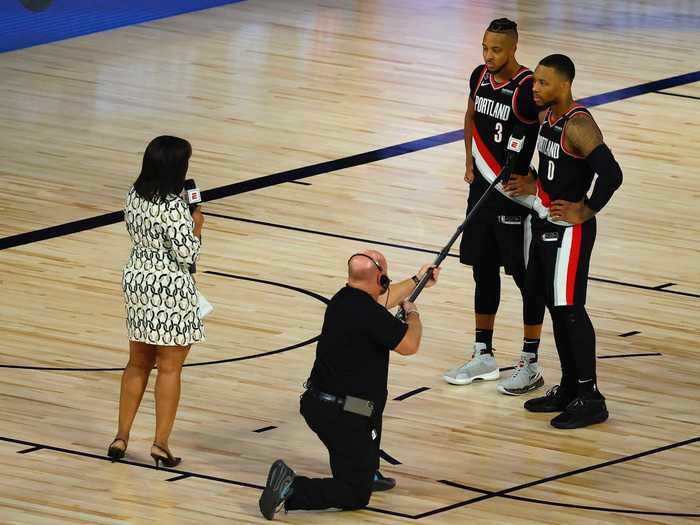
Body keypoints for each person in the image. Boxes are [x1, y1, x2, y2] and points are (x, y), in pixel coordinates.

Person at [258, 250, 440, 520]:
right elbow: (409, 345)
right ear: (381, 277)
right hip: (344, 413)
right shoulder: (371, 315)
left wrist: (418, 280)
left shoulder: (342, 299)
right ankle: (292, 488)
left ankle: (367, 469)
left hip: (319, 403)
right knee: (355, 494)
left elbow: (384, 299)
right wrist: (413, 315)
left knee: (371, 411)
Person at [443, 18, 547, 395]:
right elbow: (470, 116)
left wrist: (537, 181)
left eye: (497, 49)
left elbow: (554, 130)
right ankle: (483, 354)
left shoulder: (527, 88)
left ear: (514, 49)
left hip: (514, 198)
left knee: (525, 278)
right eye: (485, 47)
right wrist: (468, 160)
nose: (488, 55)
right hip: (481, 192)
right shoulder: (479, 76)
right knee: (482, 272)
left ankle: (530, 362)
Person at [522, 54, 623, 428]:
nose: (536, 88)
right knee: (552, 304)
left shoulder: (578, 124)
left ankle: (590, 395)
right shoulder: (546, 117)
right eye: (535, 81)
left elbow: (612, 174)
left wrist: (587, 209)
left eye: (543, 83)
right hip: (546, 221)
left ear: (565, 85)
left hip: (570, 231)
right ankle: (568, 386)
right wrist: (535, 185)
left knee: (570, 308)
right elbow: (555, 170)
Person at [107, 136, 205, 465]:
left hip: (136, 279)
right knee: (169, 368)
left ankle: (121, 437)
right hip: (169, 286)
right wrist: (197, 226)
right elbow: (187, 254)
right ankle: (160, 444)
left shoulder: (133, 196)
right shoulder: (175, 207)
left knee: (137, 362)